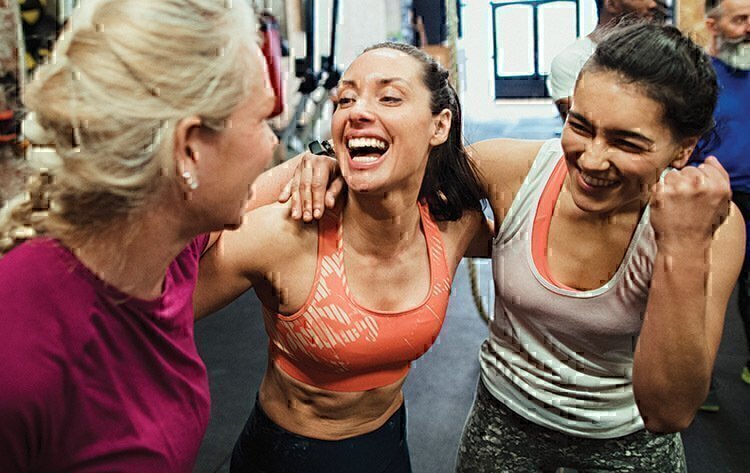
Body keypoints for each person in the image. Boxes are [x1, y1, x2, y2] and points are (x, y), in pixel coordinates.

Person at [285, 22, 744, 473]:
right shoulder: (513, 172)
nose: (592, 158)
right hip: (504, 423)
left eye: (626, 142)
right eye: (580, 126)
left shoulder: (712, 229)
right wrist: (329, 161)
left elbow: (669, 412)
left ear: (683, 150)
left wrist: (680, 246)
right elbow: (400, 166)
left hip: (625, 442)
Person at [0, 0, 279, 471]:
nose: (274, 142)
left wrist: (321, 160)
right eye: (262, 121)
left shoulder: (160, 250)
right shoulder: (20, 356)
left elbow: (258, 193)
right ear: (189, 149)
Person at [194, 42, 490, 473]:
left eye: (389, 97)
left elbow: (542, 228)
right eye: (345, 99)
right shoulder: (287, 232)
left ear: (439, 125)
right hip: (287, 456)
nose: (356, 111)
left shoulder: (452, 225)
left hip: (389, 446)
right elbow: (155, 302)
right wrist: (290, 170)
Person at [697, 0, 750, 412]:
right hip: (711, 197)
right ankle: (700, 381)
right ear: (713, 25)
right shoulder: (701, 82)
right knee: (701, 289)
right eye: (740, 20)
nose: (749, 28)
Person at [547, 0, 659, 120]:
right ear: (611, 4)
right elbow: (582, 126)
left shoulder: (659, 54)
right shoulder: (571, 60)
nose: (653, 5)